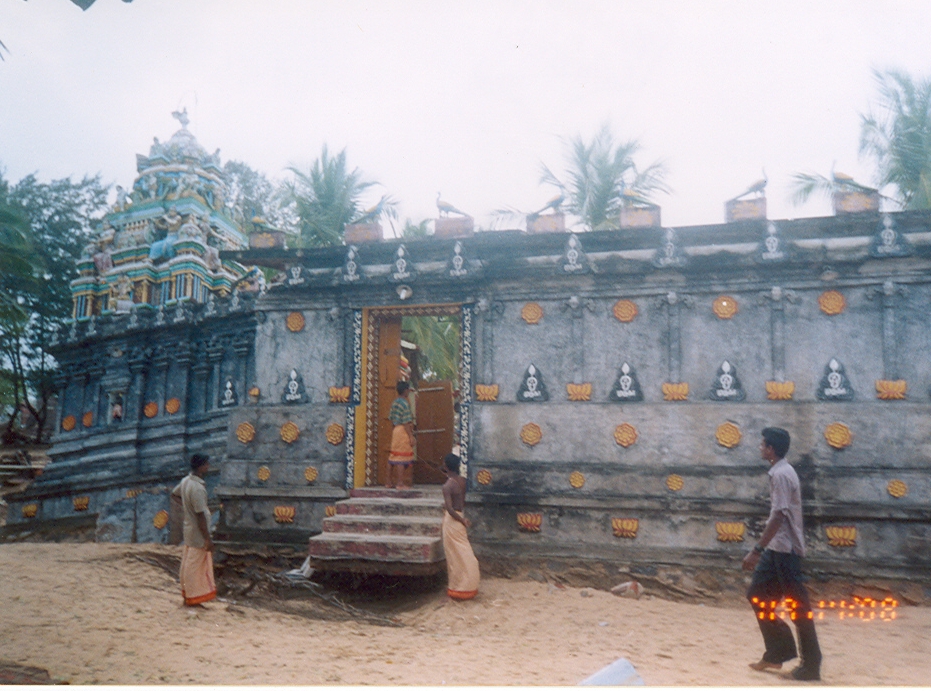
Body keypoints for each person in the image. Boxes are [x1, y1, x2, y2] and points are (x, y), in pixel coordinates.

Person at [743, 427, 822, 681]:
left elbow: (778, 515)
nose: (760, 448)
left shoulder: (781, 475)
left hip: (786, 550)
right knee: (756, 595)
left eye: (762, 445)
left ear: (771, 449)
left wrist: (757, 550)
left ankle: (811, 664)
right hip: (777, 548)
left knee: (798, 608)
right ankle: (777, 652)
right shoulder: (779, 472)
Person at [172, 454, 216, 607]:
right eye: (206, 464)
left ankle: (189, 596)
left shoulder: (186, 481)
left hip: (189, 529)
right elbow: (200, 516)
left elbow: (175, 494)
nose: (208, 467)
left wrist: (187, 507)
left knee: (188, 563)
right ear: (201, 466)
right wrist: (207, 539)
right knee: (194, 567)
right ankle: (193, 598)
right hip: (198, 533)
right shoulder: (197, 488)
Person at [441, 453, 480, 600]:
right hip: (460, 516)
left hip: (453, 521)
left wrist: (461, 520)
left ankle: (458, 587)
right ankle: (469, 586)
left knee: (454, 555)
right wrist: (462, 519)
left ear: (446, 467)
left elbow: (450, 509)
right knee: (464, 552)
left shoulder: (447, 486)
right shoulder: (463, 481)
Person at [387, 380, 415, 490]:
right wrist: (411, 436)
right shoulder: (405, 403)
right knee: (401, 458)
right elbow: (406, 422)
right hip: (403, 431)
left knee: (392, 457)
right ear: (406, 390)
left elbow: (391, 418)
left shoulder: (394, 403)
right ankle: (400, 483)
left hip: (395, 430)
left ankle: (388, 482)